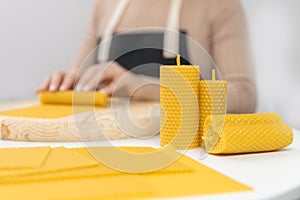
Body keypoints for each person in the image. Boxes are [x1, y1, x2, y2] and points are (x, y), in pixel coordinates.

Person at [36, 0, 256, 114]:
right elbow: (81, 78)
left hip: (183, 154)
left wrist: (141, 87)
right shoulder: (105, 4)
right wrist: (68, 82)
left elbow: (244, 96)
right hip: (103, 151)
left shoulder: (219, 4)